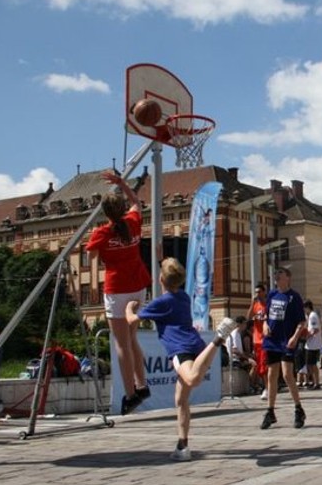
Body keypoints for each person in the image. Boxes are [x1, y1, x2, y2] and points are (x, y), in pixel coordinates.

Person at [125, 257, 239, 461]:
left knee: (191, 379)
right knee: (180, 399)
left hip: (181, 349)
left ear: (161, 279)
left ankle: (218, 338)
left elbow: (132, 320)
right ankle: (182, 446)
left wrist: (129, 307)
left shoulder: (162, 302)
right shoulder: (184, 297)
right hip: (195, 346)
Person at [85, 170, 151, 414]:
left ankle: (131, 394)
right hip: (138, 287)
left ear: (105, 213)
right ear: (122, 208)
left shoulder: (101, 233)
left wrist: (95, 241)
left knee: (121, 344)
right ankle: (142, 384)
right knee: (132, 338)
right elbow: (136, 202)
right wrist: (121, 183)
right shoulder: (133, 222)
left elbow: (91, 256)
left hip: (117, 289)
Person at [260, 268, 307, 430]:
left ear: (288, 278)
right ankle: (270, 411)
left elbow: (302, 321)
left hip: (287, 341)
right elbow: (266, 316)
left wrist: (295, 337)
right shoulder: (272, 295)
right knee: (271, 374)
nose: (277, 276)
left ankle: (298, 408)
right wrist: (265, 326)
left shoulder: (294, 297)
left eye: (280, 274)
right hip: (272, 340)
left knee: (287, 374)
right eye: (276, 275)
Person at [246, 282, 269, 399]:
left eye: (259, 292)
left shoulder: (267, 304)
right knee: (260, 365)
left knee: (264, 365)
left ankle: (267, 388)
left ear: (264, 292)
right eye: (256, 292)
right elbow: (248, 317)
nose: (257, 294)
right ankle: (266, 387)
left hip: (266, 339)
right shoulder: (256, 305)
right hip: (256, 340)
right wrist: (252, 303)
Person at [303, 300, 322, 389]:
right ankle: (314, 381)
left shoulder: (313, 316)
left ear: (307, 307)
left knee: (313, 364)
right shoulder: (309, 316)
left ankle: (316, 382)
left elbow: (315, 329)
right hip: (310, 344)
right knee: (309, 364)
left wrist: (307, 336)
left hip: (313, 344)